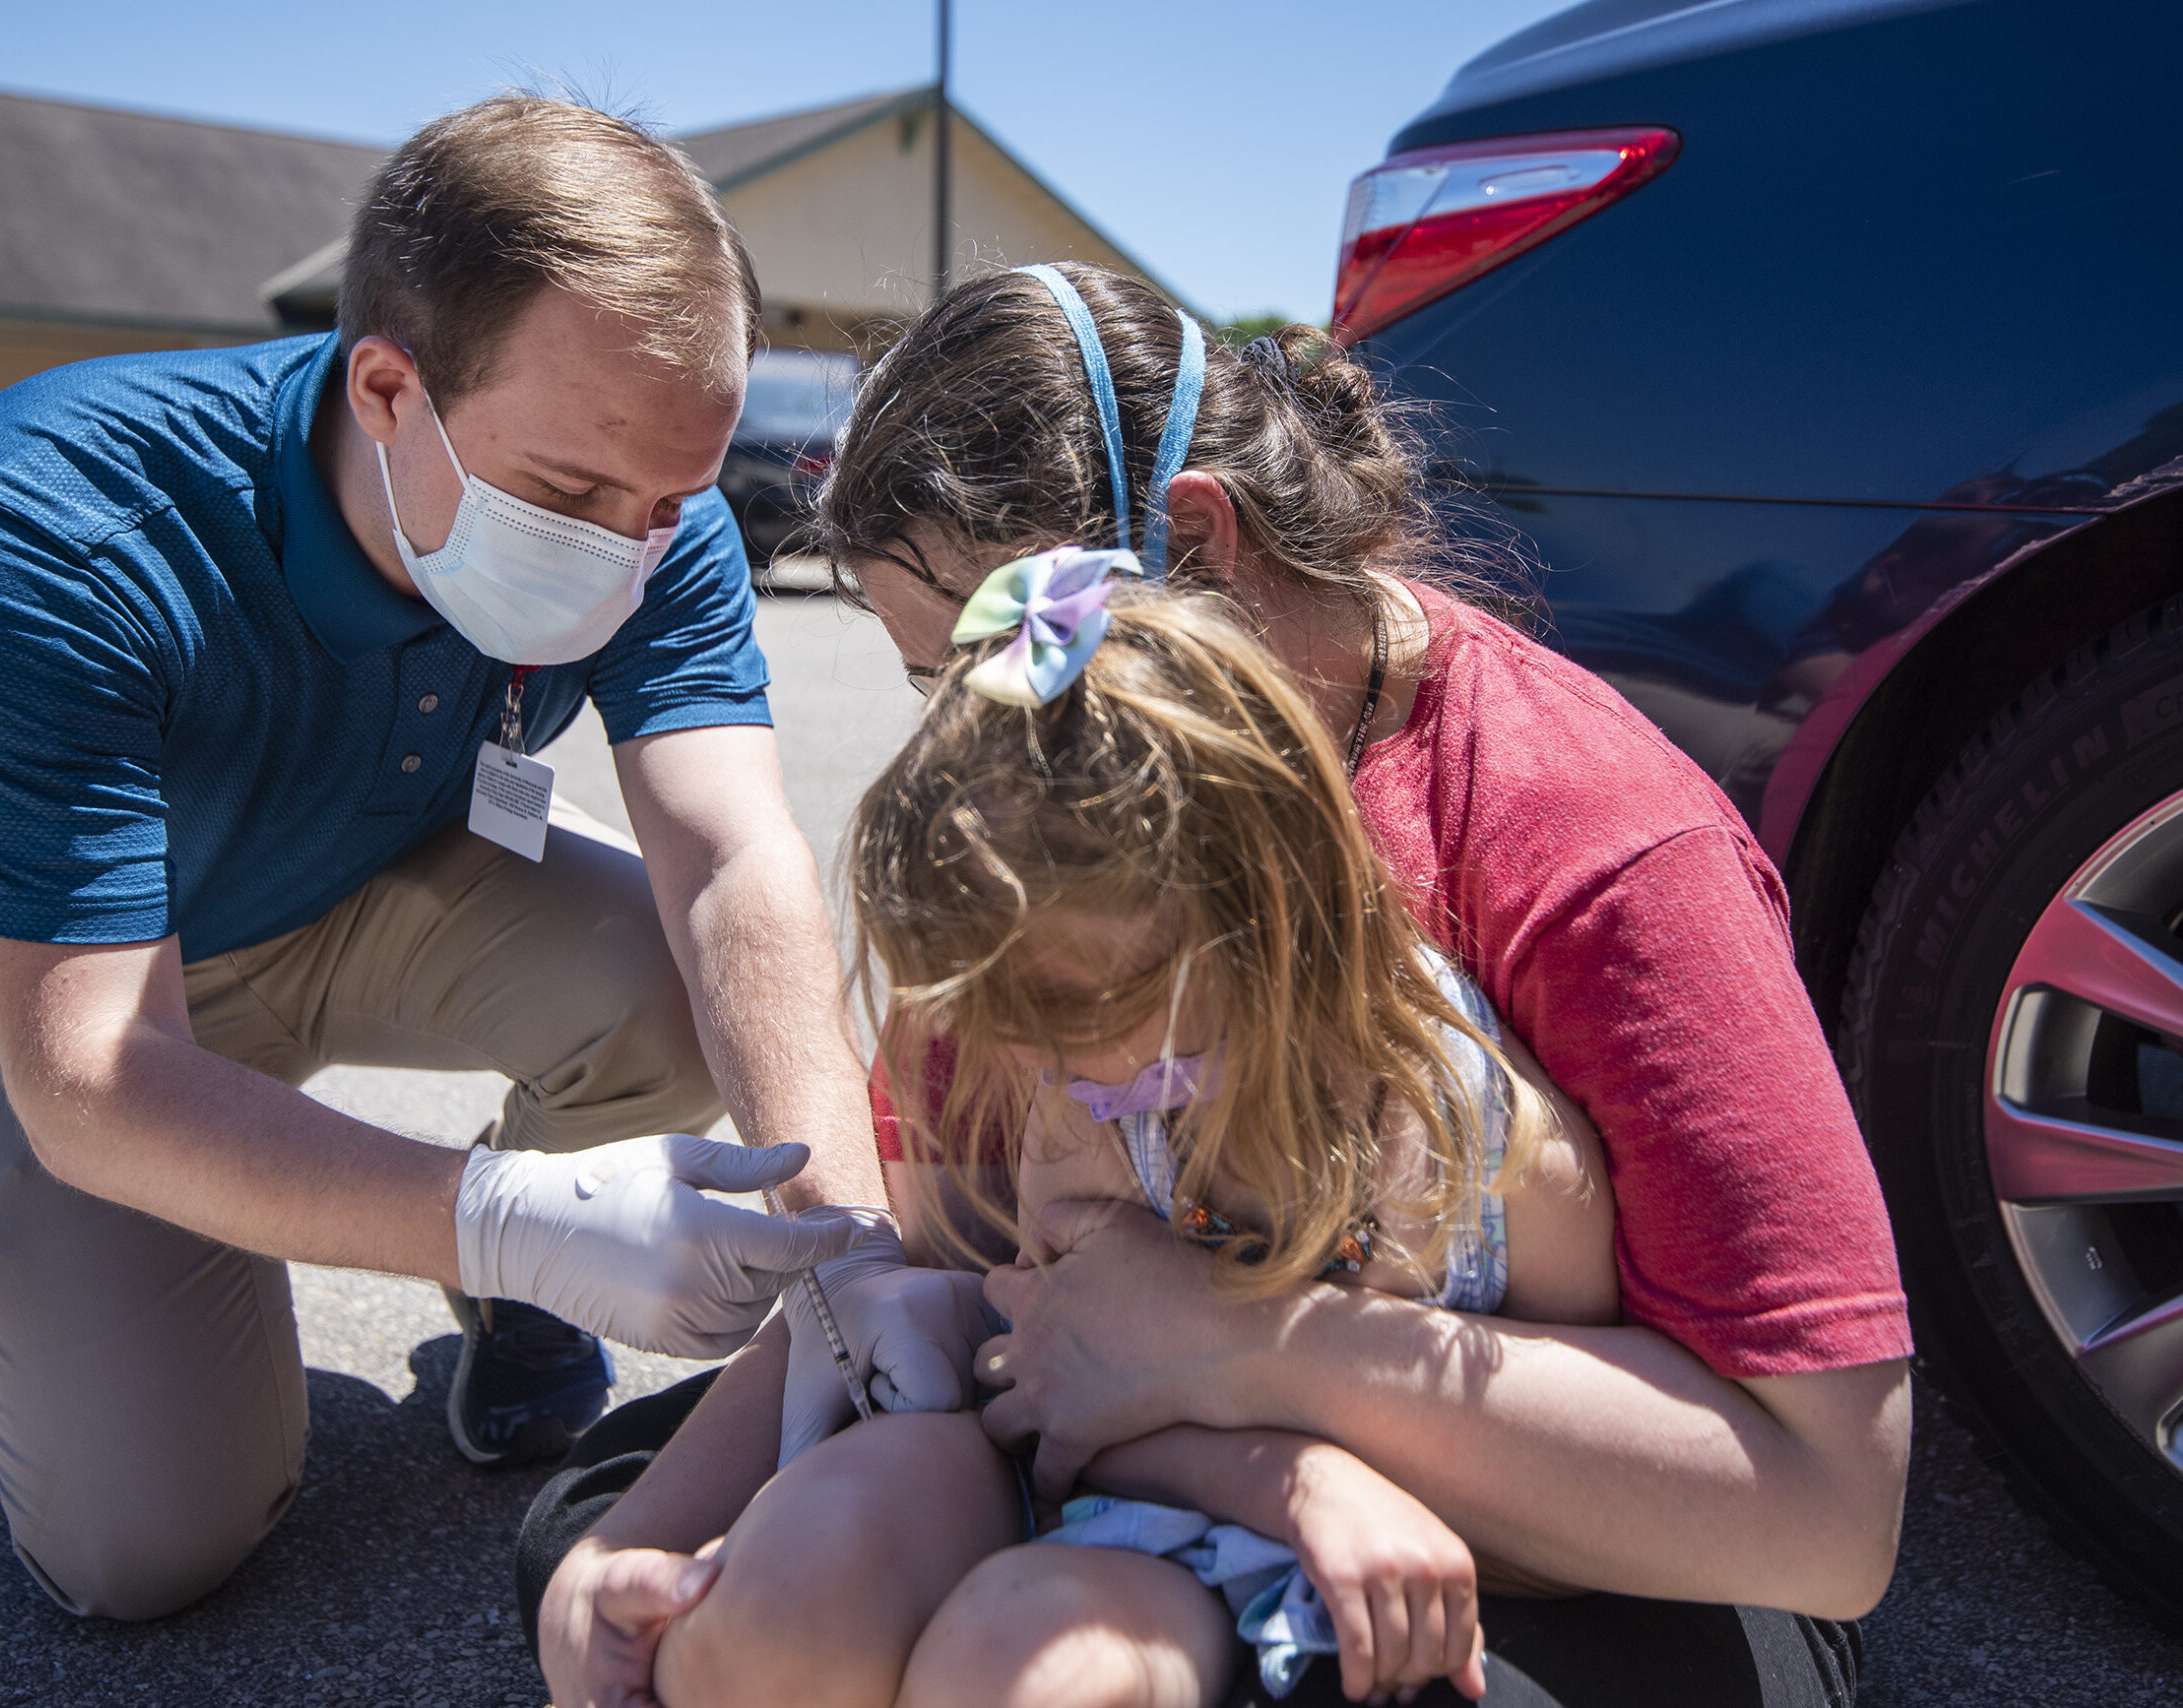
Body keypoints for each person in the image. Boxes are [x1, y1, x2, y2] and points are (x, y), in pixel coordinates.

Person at [526, 264, 1912, 1707]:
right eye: (946, 686)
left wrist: (1250, 1346)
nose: (990, 725)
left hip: (1544, 1528)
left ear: (1194, 534)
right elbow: (956, 1277)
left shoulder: (1595, 849)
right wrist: (638, 1549)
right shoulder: (1032, 837)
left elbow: (1825, 1516)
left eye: (1007, 643)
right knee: (623, 1559)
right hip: (1141, 1452)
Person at [0, 96, 969, 1623]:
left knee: (675, 976)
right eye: (572, 496)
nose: (630, 547)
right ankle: (449, 1257)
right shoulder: (51, 526)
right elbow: (97, 1079)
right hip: (97, 984)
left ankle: (513, 1317)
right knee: (143, 1549)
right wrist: (511, 1208)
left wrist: (849, 1243)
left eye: (669, 500)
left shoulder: (653, 507)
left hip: (373, 882)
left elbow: (728, 859)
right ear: (388, 386)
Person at [656, 564, 1634, 1708]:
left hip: (1438, 1576)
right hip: (1171, 1519)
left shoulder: (1495, 1157)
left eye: (1072, 1016)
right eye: (1003, 1024)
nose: (1032, 1070)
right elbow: (1060, 1410)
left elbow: (1572, 1475)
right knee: (977, 1656)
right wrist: (1292, 1480)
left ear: (1262, 914)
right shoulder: (1098, 1128)